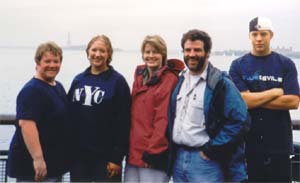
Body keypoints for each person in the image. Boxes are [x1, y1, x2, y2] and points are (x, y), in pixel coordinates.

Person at [168, 29, 251, 182]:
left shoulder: (220, 83)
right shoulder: (180, 80)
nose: (192, 54)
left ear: (207, 53)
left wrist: (213, 149)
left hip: (205, 162)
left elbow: (241, 120)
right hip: (178, 159)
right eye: (188, 50)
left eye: (197, 50)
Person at [229, 17, 300, 182]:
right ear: (249, 36)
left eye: (263, 34)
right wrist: (275, 92)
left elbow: (293, 102)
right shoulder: (238, 65)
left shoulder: (286, 64)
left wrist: (253, 98)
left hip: (280, 145)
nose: (259, 39)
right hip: (250, 144)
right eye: (255, 34)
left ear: (271, 35)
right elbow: (241, 102)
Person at [68, 35, 131, 182]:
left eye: (102, 51)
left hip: (106, 159)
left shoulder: (117, 82)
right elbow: (69, 115)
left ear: (109, 54)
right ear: (87, 52)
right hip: (79, 157)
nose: (97, 54)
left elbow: (124, 122)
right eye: (94, 50)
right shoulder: (79, 80)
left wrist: (116, 158)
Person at [124, 35, 184, 183]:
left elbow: (163, 119)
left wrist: (153, 152)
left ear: (163, 55)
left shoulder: (169, 79)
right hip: (134, 151)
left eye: (155, 52)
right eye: (147, 52)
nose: (151, 56)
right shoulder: (140, 76)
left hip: (153, 154)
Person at [7, 41, 70, 182]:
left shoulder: (57, 86)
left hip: (54, 162)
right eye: (47, 61)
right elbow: (27, 125)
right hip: (34, 167)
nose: (52, 65)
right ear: (37, 62)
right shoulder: (32, 90)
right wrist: (38, 159)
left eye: (56, 61)